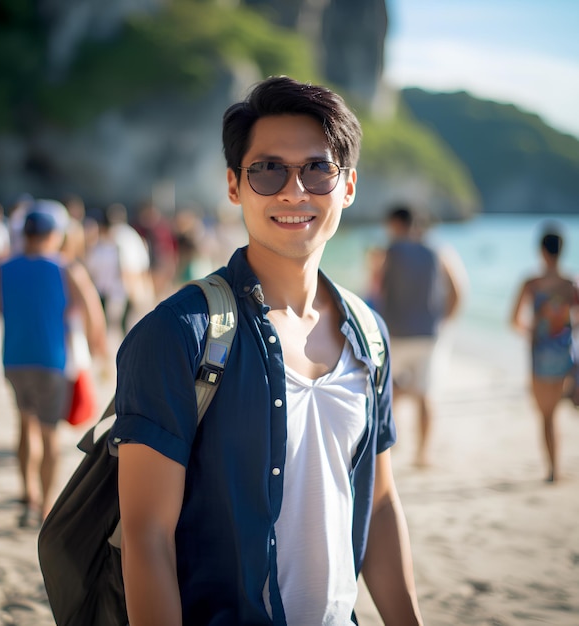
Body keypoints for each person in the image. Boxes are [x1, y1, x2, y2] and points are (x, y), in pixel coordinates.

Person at [110, 76, 423, 625]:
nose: (294, 191)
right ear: (234, 186)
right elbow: (146, 536)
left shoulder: (368, 334)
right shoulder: (178, 334)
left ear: (348, 187)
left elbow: (378, 502)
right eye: (268, 169)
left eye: (318, 169)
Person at [0, 202, 107, 526]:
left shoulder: (4, 268)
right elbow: (93, 311)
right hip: (51, 361)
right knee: (49, 435)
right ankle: (46, 504)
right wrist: (97, 347)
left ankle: (27, 492)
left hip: (13, 360)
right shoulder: (65, 268)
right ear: (53, 234)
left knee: (24, 425)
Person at [378, 206, 462, 467]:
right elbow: (458, 290)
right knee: (425, 394)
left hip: (396, 332)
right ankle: (423, 454)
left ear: (397, 224)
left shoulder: (390, 251)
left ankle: (391, 442)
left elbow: (376, 288)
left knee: (388, 389)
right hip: (428, 333)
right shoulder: (439, 251)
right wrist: (444, 320)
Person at [510, 229, 579, 482]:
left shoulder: (531, 283)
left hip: (539, 357)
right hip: (565, 356)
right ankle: (556, 468)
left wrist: (534, 329)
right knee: (558, 412)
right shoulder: (571, 284)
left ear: (541, 251)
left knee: (547, 416)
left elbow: (514, 321)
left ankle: (553, 470)